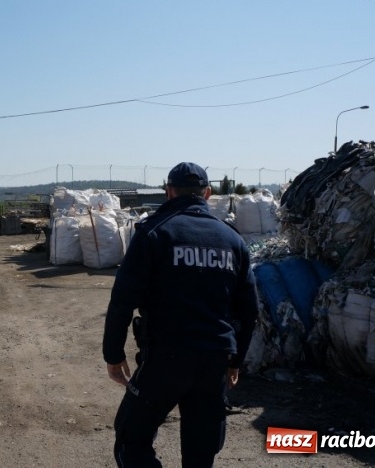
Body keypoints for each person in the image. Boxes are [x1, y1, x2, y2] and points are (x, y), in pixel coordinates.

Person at [102, 162, 259, 468]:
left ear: (169, 192)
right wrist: (235, 361)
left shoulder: (154, 233)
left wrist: (113, 354)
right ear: (208, 194)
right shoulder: (232, 240)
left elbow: (123, 299)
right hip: (214, 360)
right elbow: (249, 309)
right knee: (201, 450)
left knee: (131, 439)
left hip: (165, 359)